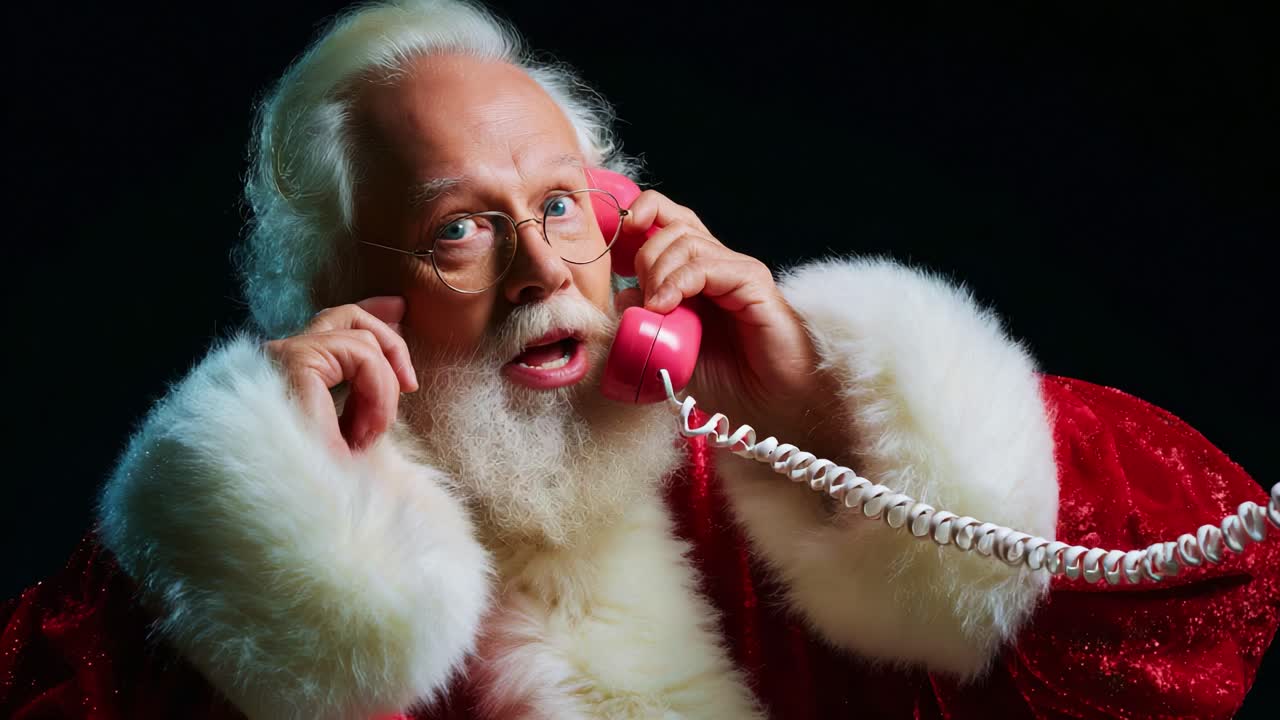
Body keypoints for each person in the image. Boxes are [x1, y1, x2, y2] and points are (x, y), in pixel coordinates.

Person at [2, 1, 1277, 718]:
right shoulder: (214, 580)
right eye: (459, 229)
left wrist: (834, 418)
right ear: (343, 299)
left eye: (560, 205)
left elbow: (1206, 596)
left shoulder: (754, 487)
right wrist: (265, 546)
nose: (541, 271)